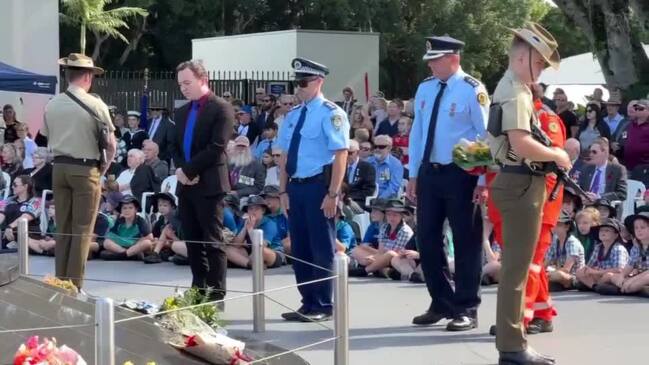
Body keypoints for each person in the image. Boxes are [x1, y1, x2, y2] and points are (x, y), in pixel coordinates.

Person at [487, 23, 569, 364]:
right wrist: (557, 155)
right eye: (539, 64)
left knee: (517, 270)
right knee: (517, 273)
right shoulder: (517, 92)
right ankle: (512, 347)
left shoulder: (511, 87)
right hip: (522, 182)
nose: (539, 72)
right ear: (524, 57)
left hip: (516, 180)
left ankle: (514, 343)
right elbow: (521, 142)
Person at [407, 35, 489, 332]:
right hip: (430, 171)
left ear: (453, 58)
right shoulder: (425, 88)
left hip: (461, 173)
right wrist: (413, 173)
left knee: (466, 241)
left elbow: (484, 136)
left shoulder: (472, 89)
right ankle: (440, 300)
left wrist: (482, 178)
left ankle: (466, 307)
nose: (431, 66)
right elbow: (418, 132)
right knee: (427, 239)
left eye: (435, 60)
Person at [277, 57, 350, 322]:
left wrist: (333, 193)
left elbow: (341, 154)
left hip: (319, 186)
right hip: (296, 187)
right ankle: (307, 301)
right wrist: (282, 191)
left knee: (321, 247)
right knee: (301, 247)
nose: (300, 88)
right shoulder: (294, 115)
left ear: (319, 82)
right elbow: (284, 155)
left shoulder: (331, 113)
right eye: (297, 83)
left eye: (304, 83)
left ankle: (322, 304)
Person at [42, 53, 117, 289]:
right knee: (82, 230)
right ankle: (74, 285)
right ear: (87, 76)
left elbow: (46, 137)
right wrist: (104, 167)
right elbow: (111, 144)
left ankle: (59, 281)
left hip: (59, 168)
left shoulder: (52, 104)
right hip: (85, 169)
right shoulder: (96, 105)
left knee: (62, 227)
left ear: (67, 76)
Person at [173, 60, 234, 302]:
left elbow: (216, 147)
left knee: (212, 239)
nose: (184, 88)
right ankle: (198, 287)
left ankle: (216, 291)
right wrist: (182, 171)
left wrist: (189, 170)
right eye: (180, 85)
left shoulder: (221, 108)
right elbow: (175, 146)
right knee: (192, 239)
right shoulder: (181, 112)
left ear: (203, 80)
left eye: (187, 83)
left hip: (209, 183)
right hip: (186, 184)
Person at [227, 195, 285, 269]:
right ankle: (250, 264)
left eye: (257, 209)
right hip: (251, 251)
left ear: (263, 211)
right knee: (227, 249)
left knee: (260, 251)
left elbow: (261, 245)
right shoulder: (244, 221)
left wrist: (250, 230)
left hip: (272, 252)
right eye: (250, 209)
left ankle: (248, 261)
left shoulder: (270, 223)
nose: (253, 212)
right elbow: (236, 245)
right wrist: (245, 227)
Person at [575, 218, 629, 291]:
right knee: (579, 272)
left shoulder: (618, 248)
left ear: (616, 235)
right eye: (601, 230)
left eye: (607, 230)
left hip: (613, 277)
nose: (603, 232)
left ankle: (593, 285)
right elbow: (589, 265)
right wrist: (587, 270)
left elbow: (619, 270)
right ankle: (595, 287)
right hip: (600, 275)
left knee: (608, 276)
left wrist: (597, 272)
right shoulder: (598, 247)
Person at [100, 195, 154, 260]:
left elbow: (150, 237)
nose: (127, 210)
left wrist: (134, 243)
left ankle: (122, 256)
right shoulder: (119, 220)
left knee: (147, 243)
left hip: (134, 245)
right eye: (124, 208)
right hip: (121, 246)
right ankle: (129, 254)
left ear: (136, 210)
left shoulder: (140, 221)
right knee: (106, 242)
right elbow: (110, 235)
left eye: (130, 208)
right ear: (121, 210)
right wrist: (123, 242)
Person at [578, 138, 627, 203]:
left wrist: (599, 197)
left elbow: (622, 194)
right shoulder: (586, 168)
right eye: (590, 151)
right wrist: (581, 196)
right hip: (586, 206)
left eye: (594, 152)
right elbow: (579, 188)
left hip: (606, 207)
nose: (591, 154)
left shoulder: (618, 170)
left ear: (605, 153)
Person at [0, 175, 41, 252]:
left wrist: (10, 227)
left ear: (25, 186)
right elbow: (1, 214)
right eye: (12, 184)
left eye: (15, 185)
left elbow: (24, 218)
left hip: (29, 236)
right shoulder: (9, 200)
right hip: (10, 236)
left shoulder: (36, 201)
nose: (12, 187)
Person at [545, 211, 585, 291]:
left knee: (558, 275)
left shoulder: (572, 242)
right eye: (554, 224)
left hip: (573, 276)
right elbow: (546, 261)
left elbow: (567, 269)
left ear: (567, 227)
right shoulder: (554, 240)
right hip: (557, 272)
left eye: (558, 225)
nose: (554, 227)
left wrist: (546, 274)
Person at [143, 192, 179, 264]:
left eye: (165, 205)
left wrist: (166, 241)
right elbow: (155, 236)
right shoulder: (160, 221)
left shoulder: (176, 222)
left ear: (172, 207)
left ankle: (161, 256)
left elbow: (179, 240)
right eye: (160, 205)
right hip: (162, 248)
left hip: (174, 246)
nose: (162, 208)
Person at [369, 135, 403, 199]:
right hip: (365, 197)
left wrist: (379, 200)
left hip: (384, 201)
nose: (377, 149)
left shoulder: (396, 165)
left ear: (389, 148)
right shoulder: (368, 161)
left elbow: (393, 187)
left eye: (381, 147)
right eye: (375, 147)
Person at [345, 140, 376, 208]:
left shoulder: (367, 168)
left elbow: (369, 190)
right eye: (345, 153)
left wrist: (350, 197)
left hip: (359, 200)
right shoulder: (340, 167)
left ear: (358, 152)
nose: (347, 155)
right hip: (341, 199)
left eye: (350, 153)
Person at [261, 185, 290, 254]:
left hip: (282, 247)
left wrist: (277, 245)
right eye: (265, 198)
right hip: (266, 247)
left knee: (289, 244)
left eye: (270, 197)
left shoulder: (287, 214)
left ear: (279, 197)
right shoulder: (262, 214)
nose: (266, 200)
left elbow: (291, 238)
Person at [621, 99, 649, 170]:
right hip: (628, 167)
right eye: (636, 108)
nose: (637, 110)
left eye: (640, 108)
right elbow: (624, 137)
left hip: (644, 168)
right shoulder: (630, 125)